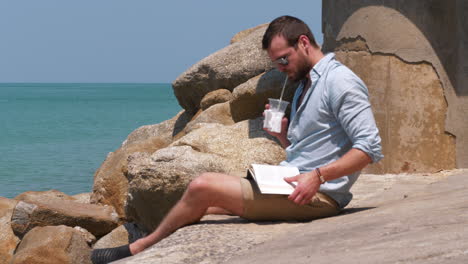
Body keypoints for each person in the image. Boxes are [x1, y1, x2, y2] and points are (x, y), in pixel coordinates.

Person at [91, 15, 383, 264]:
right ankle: (156, 240)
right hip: (293, 182)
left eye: (284, 59)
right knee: (203, 207)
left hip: (318, 196)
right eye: (276, 63)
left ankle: (139, 247)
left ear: (304, 43)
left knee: (202, 185)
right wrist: (282, 135)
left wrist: (317, 177)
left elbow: (369, 148)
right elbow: (310, 151)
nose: (281, 68)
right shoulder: (306, 84)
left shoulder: (340, 82)